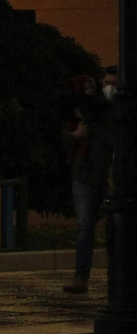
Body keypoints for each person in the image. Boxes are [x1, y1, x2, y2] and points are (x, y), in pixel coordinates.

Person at [63, 94, 114, 294]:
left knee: (116, 227)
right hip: (84, 177)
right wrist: (77, 135)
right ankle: (81, 277)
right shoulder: (77, 118)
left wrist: (93, 127)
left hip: (107, 176)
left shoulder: (110, 115)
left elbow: (114, 141)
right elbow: (64, 137)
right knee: (85, 226)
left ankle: (118, 276)